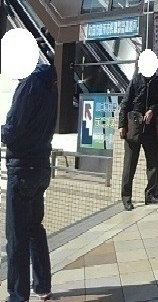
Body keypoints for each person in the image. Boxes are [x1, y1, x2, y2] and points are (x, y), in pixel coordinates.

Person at [1, 61, 58, 302]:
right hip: (41, 165)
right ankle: (42, 285)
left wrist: (3, 131)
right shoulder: (50, 84)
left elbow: (13, 128)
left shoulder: (29, 84)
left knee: (17, 234)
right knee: (35, 228)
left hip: (23, 167)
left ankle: (18, 295)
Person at [118, 70, 158, 210]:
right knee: (129, 165)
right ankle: (126, 198)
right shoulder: (136, 80)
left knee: (154, 161)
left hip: (149, 128)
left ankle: (150, 195)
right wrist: (122, 125)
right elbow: (125, 103)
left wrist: (152, 110)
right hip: (133, 127)